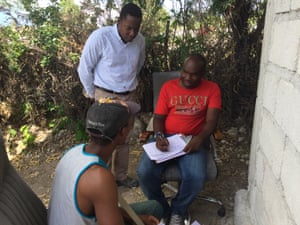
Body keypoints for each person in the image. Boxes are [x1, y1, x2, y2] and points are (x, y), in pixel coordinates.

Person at [48, 98, 163, 225]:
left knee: (154, 207)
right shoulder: (99, 178)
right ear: (123, 132)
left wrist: (139, 218)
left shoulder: (73, 152)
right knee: (155, 209)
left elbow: (102, 206)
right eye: (130, 125)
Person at [137, 54, 222, 225]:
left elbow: (212, 121)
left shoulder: (212, 89)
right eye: (185, 72)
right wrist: (159, 136)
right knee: (144, 172)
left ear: (203, 74)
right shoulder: (169, 87)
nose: (187, 77)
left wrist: (199, 139)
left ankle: (178, 210)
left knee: (196, 176)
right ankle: (162, 209)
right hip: (166, 138)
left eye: (194, 74)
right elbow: (159, 118)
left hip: (193, 139)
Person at [77, 2, 145, 188]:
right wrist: (93, 94)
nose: (132, 33)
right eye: (128, 28)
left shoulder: (140, 41)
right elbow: (84, 68)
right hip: (105, 95)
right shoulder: (100, 37)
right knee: (103, 139)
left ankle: (120, 177)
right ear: (119, 21)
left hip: (128, 95)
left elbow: (138, 65)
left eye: (136, 29)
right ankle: (100, 179)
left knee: (124, 138)